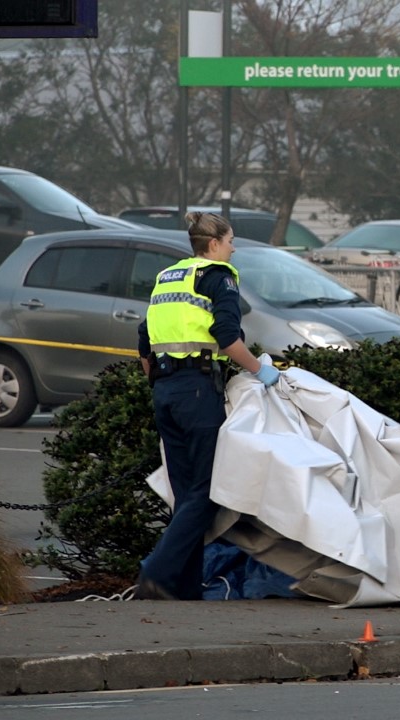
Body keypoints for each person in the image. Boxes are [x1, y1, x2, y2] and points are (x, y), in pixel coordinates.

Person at [134, 212, 280, 600]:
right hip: (198, 390)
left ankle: (184, 587)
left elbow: (144, 343)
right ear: (214, 244)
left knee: (186, 496)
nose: (234, 248)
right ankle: (156, 572)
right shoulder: (220, 277)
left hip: (165, 391)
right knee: (205, 493)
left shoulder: (168, 277)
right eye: (231, 241)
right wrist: (261, 371)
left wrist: (160, 382)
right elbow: (227, 336)